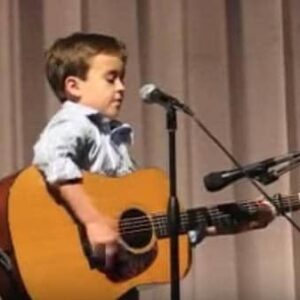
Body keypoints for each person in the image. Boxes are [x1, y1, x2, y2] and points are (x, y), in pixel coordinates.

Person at [32, 32, 276, 300]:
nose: (122, 87)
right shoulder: (75, 122)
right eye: (111, 78)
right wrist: (93, 221)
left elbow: (148, 231)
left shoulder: (112, 139)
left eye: (122, 78)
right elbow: (51, 155)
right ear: (73, 86)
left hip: (115, 285)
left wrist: (234, 222)